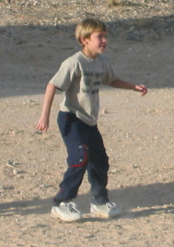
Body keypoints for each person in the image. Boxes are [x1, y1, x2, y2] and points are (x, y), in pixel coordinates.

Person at [36, 18, 148, 222]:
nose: (104, 40)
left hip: (89, 121)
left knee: (100, 161)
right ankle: (61, 203)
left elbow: (111, 80)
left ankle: (99, 201)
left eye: (105, 36)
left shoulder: (102, 62)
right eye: (99, 37)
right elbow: (52, 85)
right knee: (80, 157)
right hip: (71, 118)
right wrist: (45, 116)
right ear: (84, 39)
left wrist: (133, 87)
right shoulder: (74, 63)